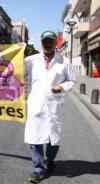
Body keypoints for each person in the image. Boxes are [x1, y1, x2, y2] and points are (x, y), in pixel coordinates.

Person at [24, 31, 76, 183]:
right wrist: (20, 50)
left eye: (50, 41)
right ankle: (38, 169)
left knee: (54, 137)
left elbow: (72, 81)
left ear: (55, 43)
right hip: (36, 104)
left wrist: (62, 87)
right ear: (41, 42)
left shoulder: (64, 61)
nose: (47, 44)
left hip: (54, 105)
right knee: (36, 137)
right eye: (45, 41)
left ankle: (51, 159)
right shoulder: (31, 60)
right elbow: (15, 67)